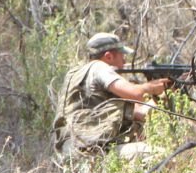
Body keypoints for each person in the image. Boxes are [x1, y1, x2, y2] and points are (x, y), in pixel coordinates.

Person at [52, 32, 171, 160]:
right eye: (121, 56)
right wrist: (152, 87)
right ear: (108, 56)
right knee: (162, 156)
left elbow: (140, 113)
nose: (124, 61)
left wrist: (167, 92)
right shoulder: (99, 67)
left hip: (72, 152)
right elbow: (135, 94)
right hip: (90, 152)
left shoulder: (75, 75)